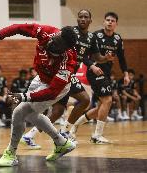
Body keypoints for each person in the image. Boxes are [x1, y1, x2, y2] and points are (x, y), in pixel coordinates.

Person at [0, 23, 78, 166]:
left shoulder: (67, 61)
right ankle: (61, 143)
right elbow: (18, 27)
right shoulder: (47, 33)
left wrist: (24, 96)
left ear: (64, 49)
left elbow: (52, 92)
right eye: (54, 38)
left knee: (20, 111)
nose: (50, 43)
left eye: (55, 44)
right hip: (40, 77)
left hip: (56, 86)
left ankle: (11, 153)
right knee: (30, 114)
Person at [20, 9, 114, 148]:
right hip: (62, 72)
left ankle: (29, 136)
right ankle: (65, 132)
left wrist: (104, 58)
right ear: (77, 19)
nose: (82, 19)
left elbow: (94, 56)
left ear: (90, 21)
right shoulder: (70, 34)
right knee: (85, 100)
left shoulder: (91, 38)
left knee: (58, 111)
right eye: (80, 16)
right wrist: (91, 66)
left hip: (68, 75)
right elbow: (71, 54)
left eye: (85, 17)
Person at [71, 12, 130, 144]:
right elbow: (84, 55)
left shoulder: (117, 39)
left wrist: (125, 73)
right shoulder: (95, 36)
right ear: (103, 22)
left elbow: (121, 58)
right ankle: (97, 135)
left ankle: (74, 126)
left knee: (100, 108)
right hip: (95, 72)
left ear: (116, 24)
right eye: (107, 20)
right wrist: (91, 66)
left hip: (106, 73)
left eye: (112, 20)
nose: (109, 22)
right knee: (108, 100)